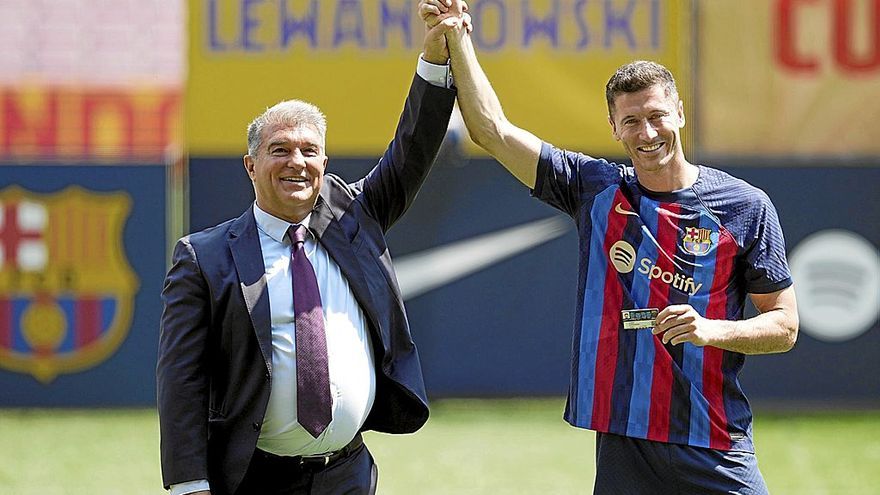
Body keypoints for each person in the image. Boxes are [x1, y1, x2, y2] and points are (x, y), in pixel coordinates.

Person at [421, 1, 799, 493]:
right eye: (631, 121)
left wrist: (709, 329)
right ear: (613, 126)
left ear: (679, 113)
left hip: (713, 441)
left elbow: (784, 326)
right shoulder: (595, 189)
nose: (647, 133)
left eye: (657, 116)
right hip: (624, 446)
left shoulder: (744, 206)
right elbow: (492, 130)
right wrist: (459, 36)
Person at [156, 14, 467, 495]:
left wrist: (433, 55)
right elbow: (182, 382)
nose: (296, 162)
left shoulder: (353, 219)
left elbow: (412, 148)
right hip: (252, 479)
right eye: (279, 150)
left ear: (324, 163)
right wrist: (188, 484)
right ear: (251, 166)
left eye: (308, 151)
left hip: (347, 474)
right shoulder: (203, 257)